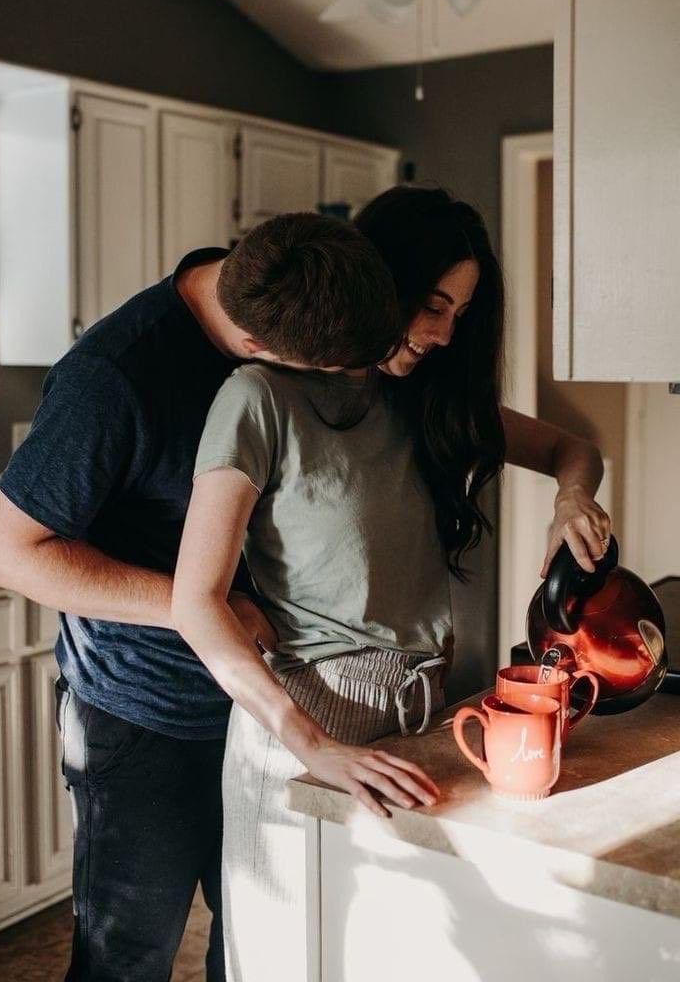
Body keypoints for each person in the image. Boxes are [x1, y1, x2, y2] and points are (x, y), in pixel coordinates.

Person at [169, 186, 612, 982]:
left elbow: (576, 450)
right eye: (431, 306)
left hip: (428, 714)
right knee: (287, 961)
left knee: (394, 957)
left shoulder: (423, 402)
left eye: (460, 315)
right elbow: (193, 600)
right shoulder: (259, 399)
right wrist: (315, 747)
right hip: (306, 730)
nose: (444, 335)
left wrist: (572, 498)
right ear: (382, 286)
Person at [0, 212, 406, 982]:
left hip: (258, 703)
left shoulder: (283, 292)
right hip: (144, 713)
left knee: (251, 944)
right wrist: (196, 601)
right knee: (128, 956)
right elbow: (6, 553)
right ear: (258, 351)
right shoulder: (113, 378)